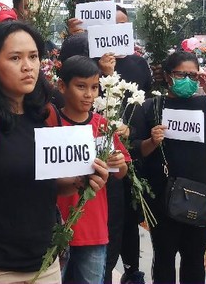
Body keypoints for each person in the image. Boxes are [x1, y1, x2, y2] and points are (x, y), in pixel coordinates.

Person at [0, 20, 110, 283]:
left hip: (45, 266)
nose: (27, 66)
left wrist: (82, 181)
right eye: (15, 58)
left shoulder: (47, 115)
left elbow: (51, 186)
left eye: (33, 56)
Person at [128, 51, 206, 283]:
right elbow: (135, 150)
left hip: (200, 194)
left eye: (192, 74)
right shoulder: (151, 107)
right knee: (165, 256)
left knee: (194, 258)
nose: (186, 79)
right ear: (168, 76)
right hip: (162, 198)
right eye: (180, 74)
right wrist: (152, 142)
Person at [68, 4, 151, 284]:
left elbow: (144, 107)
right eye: (109, 25)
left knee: (120, 225)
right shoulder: (82, 58)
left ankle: (129, 269)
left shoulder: (137, 64)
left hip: (122, 157)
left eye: (121, 25)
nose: (114, 31)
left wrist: (129, 136)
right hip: (77, 186)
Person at [55, 55, 130, 284]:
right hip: (55, 229)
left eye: (95, 87)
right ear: (62, 86)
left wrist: (119, 164)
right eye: (81, 86)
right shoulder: (50, 123)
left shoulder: (102, 125)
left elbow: (122, 171)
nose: (89, 94)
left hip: (93, 229)